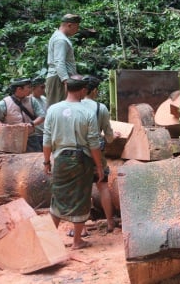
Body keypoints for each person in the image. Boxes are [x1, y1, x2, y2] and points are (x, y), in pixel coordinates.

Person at [43, 75, 104, 250]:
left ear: (66, 88)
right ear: (83, 90)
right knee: (81, 198)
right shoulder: (87, 112)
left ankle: (49, 242)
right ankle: (77, 241)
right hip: (81, 160)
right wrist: (99, 166)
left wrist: (46, 162)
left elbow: (46, 140)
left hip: (60, 158)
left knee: (58, 197)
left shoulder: (53, 110)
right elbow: (93, 143)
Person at [80, 75, 120, 234]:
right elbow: (109, 137)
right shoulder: (100, 108)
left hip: (77, 154)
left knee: (82, 190)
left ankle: (81, 229)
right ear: (95, 90)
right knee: (102, 187)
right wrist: (111, 136)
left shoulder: (74, 106)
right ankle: (110, 223)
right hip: (96, 152)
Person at [0, 77, 46, 152]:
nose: (30, 89)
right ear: (19, 89)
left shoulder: (32, 100)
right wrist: (2, 126)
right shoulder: (3, 104)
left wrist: (32, 124)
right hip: (12, 139)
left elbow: (42, 116)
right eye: (28, 87)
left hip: (31, 138)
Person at [45, 13, 82, 108]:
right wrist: (66, 81)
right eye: (76, 27)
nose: (77, 30)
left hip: (60, 78)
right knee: (58, 109)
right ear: (69, 25)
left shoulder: (59, 37)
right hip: (59, 79)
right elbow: (59, 62)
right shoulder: (60, 40)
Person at [30, 77, 47, 151]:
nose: (44, 90)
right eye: (42, 87)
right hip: (36, 134)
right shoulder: (29, 101)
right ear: (33, 88)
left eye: (44, 87)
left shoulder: (44, 98)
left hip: (46, 133)